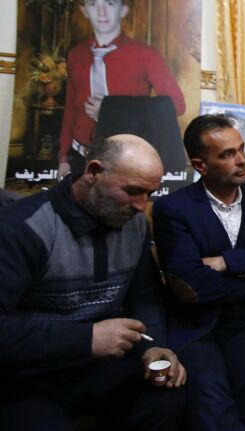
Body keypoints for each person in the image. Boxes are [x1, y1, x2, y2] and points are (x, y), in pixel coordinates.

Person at [0, 134, 186, 430]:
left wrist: (155, 347)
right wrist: (86, 339)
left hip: (100, 368)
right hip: (32, 377)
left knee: (169, 397)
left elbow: (146, 299)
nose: (142, 206)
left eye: (149, 194)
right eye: (133, 191)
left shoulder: (134, 224)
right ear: (93, 172)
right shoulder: (25, 228)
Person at [152, 114, 245, 431]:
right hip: (197, 326)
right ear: (200, 165)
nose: (242, 161)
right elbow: (188, 283)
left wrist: (226, 262)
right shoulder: (173, 209)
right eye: (227, 154)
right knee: (210, 398)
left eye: (241, 149)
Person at [58, 0, 186, 178]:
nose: (101, 12)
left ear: (123, 10)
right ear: (84, 11)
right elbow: (69, 110)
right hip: (79, 155)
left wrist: (112, 110)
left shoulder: (145, 54)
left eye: (109, 3)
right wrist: (63, 158)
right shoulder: (76, 54)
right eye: (93, 4)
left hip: (125, 158)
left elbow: (177, 105)